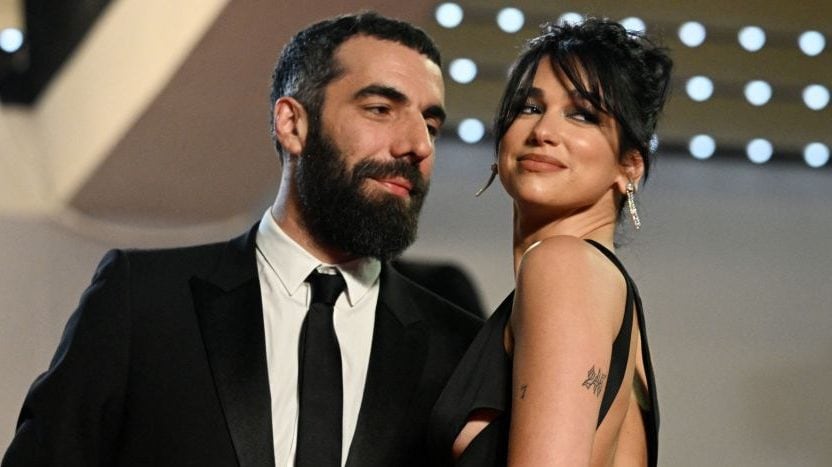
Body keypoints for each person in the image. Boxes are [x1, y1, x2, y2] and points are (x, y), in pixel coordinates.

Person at [2, 12, 482, 467]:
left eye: (431, 125)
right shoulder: (143, 300)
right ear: (293, 123)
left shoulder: (460, 348)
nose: (418, 145)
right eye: (380, 109)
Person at [428, 18, 672, 466]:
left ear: (629, 166)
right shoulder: (597, 285)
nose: (544, 131)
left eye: (583, 114)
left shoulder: (563, 266)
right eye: (529, 107)